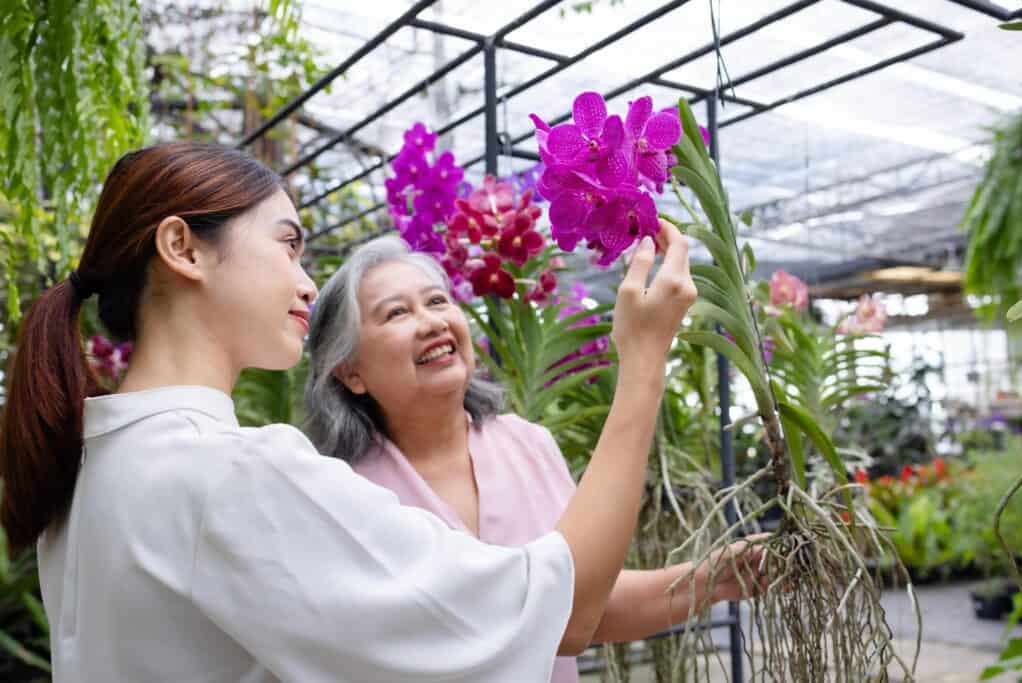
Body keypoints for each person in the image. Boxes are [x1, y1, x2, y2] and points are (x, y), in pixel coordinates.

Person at [0, 142, 705, 682]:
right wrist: (643, 362)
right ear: (183, 248)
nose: (306, 281)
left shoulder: (94, 468)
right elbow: (561, 609)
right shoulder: (231, 474)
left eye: (437, 299)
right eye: (287, 242)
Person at [304, 236, 763, 682]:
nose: (431, 323)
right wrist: (643, 358)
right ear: (351, 372)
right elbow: (565, 619)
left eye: (438, 301)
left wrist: (713, 578)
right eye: (397, 313)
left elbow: (583, 603)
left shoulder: (527, 445)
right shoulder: (345, 497)